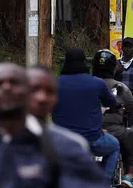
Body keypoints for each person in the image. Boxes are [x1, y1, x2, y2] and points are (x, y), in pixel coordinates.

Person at [52, 48, 121, 179]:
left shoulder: (55, 83)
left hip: (62, 141)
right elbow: (113, 103)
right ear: (85, 63)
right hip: (92, 139)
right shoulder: (97, 83)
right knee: (114, 146)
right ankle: (104, 184)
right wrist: (116, 107)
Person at [91, 49, 133, 188]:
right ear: (113, 67)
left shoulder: (87, 84)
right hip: (114, 130)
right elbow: (131, 106)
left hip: (88, 130)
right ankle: (129, 177)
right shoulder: (120, 87)